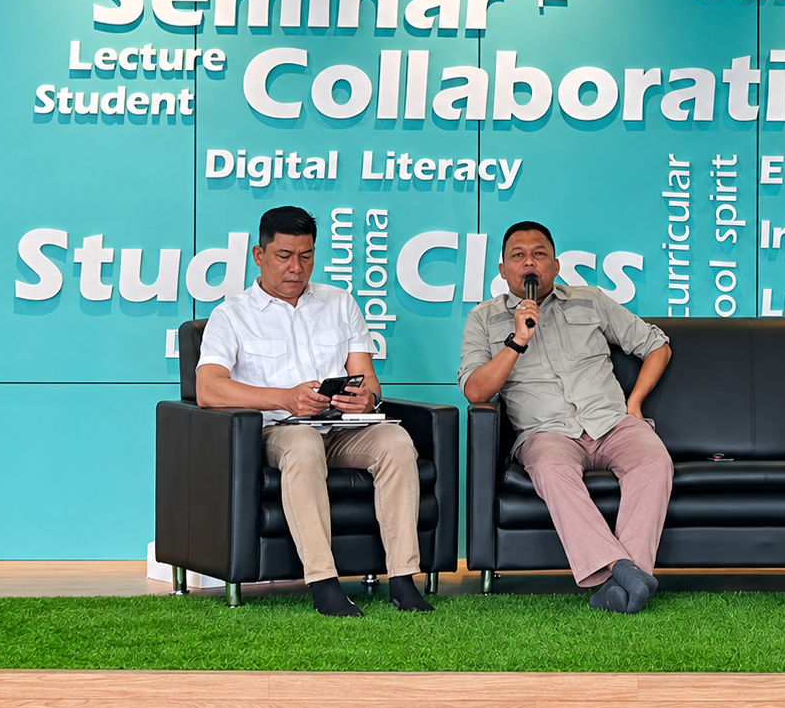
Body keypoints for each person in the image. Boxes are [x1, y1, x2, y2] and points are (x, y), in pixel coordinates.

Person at [195, 206, 431, 618]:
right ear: (259, 255)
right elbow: (208, 388)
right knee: (303, 443)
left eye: (305, 256)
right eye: (284, 256)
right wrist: (284, 398)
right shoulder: (231, 314)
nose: (296, 268)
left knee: (395, 440)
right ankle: (324, 584)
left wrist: (367, 400)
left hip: (339, 428)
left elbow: (368, 380)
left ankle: (403, 580)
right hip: (277, 430)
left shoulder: (340, 303)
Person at [459, 221, 673, 613]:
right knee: (552, 470)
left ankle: (619, 582)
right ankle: (624, 572)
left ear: (555, 266)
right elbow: (476, 391)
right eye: (518, 256)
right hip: (546, 433)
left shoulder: (590, 300)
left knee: (654, 459)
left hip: (610, 421)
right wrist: (516, 341)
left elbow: (656, 345)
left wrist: (635, 402)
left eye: (538, 254)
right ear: (503, 270)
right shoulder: (483, 318)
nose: (529, 263)